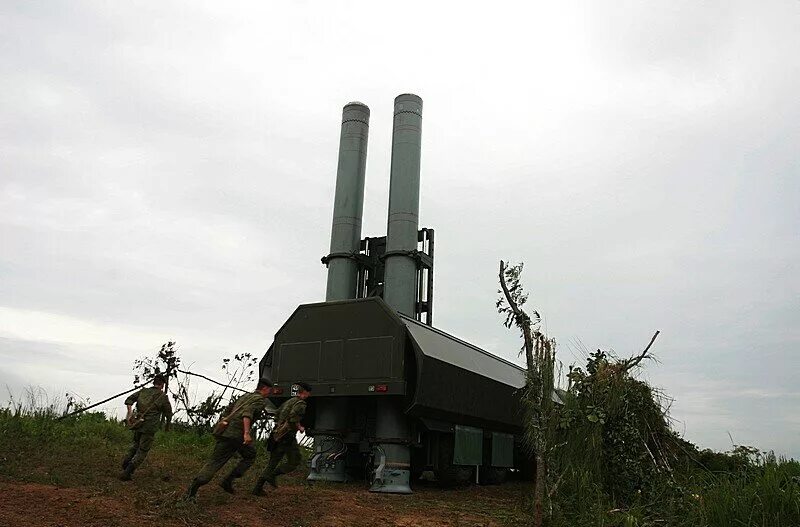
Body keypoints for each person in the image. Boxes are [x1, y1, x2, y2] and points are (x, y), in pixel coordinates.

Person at [185, 378, 276, 499]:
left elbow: (229, 409)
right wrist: (246, 433)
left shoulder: (246, 396)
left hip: (226, 432)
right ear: (265, 388)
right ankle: (221, 482)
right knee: (244, 457)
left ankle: (202, 487)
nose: (270, 393)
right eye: (269, 390)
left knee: (224, 459)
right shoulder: (259, 400)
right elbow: (247, 414)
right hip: (237, 435)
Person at [252, 382, 312, 495]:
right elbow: (293, 418)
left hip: (276, 435)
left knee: (273, 462)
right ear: (305, 393)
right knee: (295, 460)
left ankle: (257, 488)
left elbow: (277, 413)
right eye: (308, 393)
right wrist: (300, 427)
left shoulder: (289, 401)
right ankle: (273, 475)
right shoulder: (301, 404)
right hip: (287, 436)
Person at [120, 374, 173, 481]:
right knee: (142, 450)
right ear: (162, 384)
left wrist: (129, 413)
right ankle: (128, 472)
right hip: (149, 427)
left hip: (138, 424)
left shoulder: (143, 391)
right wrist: (167, 426)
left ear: (154, 382)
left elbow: (129, 400)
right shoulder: (162, 397)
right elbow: (169, 413)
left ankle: (126, 462)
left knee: (135, 445)